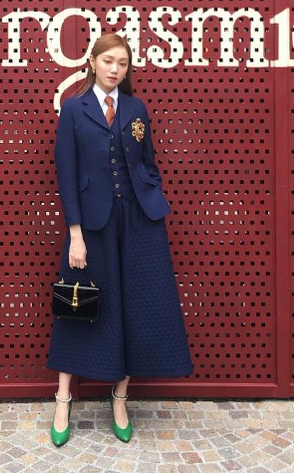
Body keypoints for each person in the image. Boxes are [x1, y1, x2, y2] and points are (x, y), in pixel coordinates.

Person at [47, 33, 193, 447]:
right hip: (92, 225)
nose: (115, 69)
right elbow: (66, 175)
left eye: (123, 63)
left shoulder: (135, 108)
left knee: (136, 304)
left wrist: (151, 192)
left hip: (139, 221)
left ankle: (120, 397)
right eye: (108, 60)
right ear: (92, 62)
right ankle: (63, 399)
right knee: (79, 307)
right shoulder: (73, 109)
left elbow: (148, 162)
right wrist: (75, 234)